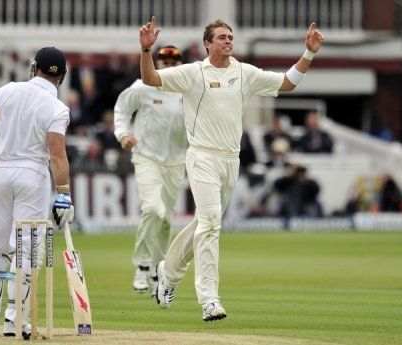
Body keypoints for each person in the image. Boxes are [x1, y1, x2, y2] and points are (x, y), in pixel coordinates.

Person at [139, 16, 324, 321]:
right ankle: (210, 300)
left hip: (230, 160)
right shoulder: (193, 73)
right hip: (202, 156)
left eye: (230, 36)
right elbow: (151, 79)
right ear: (207, 43)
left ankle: (167, 275)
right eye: (221, 37)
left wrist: (309, 53)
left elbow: (288, 82)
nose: (228, 41)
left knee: (204, 225)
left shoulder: (244, 72)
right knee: (211, 224)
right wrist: (146, 51)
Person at [0, 47, 74, 338]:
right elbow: (57, 156)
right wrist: (63, 194)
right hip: (32, 175)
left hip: (0, 173)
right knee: (26, 251)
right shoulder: (57, 109)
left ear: (33, 68)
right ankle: (15, 320)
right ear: (61, 77)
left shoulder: (7, 90)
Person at [114, 46, 187, 296]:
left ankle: (159, 270)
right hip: (147, 157)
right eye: (164, 62)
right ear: (157, 64)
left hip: (176, 161)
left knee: (166, 219)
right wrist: (122, 134)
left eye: (173, 63)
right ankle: (141, 266)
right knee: (153, 209)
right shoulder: (142, 86)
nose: (168, 67)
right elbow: (122, 109)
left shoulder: (188, 90)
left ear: (180, 66)